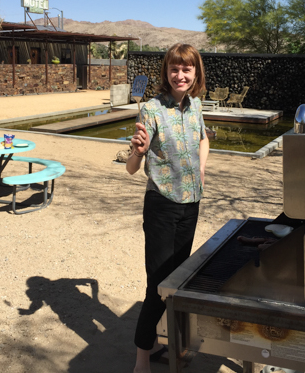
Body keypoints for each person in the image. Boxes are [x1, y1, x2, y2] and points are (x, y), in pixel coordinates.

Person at [126, 43, 209, 373]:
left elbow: (204, 139)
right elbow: (132, 168)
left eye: (187, 69)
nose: (180, 75)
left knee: (178, 280)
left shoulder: (197, 105)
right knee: (157, 284)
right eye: (175, 69)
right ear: (167, 72)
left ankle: (167, 343)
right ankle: (141, 360)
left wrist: (201, 169)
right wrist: (137, 151)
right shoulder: (151, 109)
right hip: (162, 206)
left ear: (195, 73)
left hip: (191, 204)